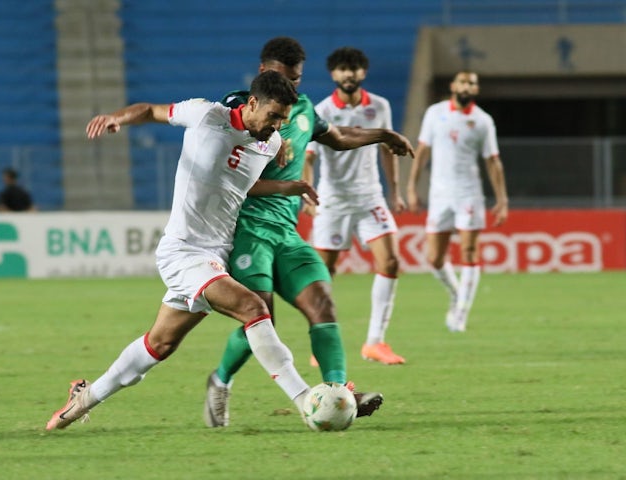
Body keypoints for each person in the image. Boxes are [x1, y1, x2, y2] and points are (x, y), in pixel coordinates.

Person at [46, 70, 319, 430]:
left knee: (159, 344)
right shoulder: (206, 115)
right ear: (252, 103)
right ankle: (307, 401)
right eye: (273, 117)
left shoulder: (269, 143)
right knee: (254, 307)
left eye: (283, 119)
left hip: (214, 257)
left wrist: (287, 187)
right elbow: (150, 111)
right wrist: (117, 118)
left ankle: (82, 398)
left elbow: (238, 185)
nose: (277, 126)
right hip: (184, 251)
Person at [204, 37, 415, 428]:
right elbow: (222, 167)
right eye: (287, 78)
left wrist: (383, 135)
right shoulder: (236, 107)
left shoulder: (301, 108)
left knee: (323, 305)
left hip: (286, 230)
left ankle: (338, 392)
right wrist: (270, 142)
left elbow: (337, 137)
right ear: (266, 73)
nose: (295, 88)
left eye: (299, 79)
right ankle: (220, 380)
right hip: (248, 228)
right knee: (261, 317)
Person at [304, 47, 406, 365]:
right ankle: (321, 342)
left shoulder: (379, 106)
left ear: (363, 72)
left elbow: (388, 147)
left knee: (389, 262)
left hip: (369, 197)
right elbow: (309, 157)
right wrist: (306, 194)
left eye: (355, 68)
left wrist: (396, 190)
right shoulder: (320, 111)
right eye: (343, 69)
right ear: (333, 74)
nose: (349, 74)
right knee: (323, 273)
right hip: (332, 201)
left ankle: (375, 342)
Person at [406, 71, 508, 332]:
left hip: (469, 194)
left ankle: (461, 312)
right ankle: (456, 293)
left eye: (472, 83)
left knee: (469, 252)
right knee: (434, 257)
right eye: (463, 81)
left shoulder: (483, 121)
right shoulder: (435, 113)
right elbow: (423, 151)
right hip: (439, 195)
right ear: (453, 86)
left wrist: (502, 199)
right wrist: (412, 187)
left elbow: (492, 161)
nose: (467, 86)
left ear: (476, 89)